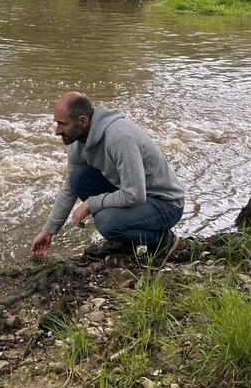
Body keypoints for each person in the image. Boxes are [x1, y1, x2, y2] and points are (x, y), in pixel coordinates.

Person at [30, 91, 184, 267]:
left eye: (62, 124)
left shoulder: (119, 138)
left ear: (82, 121)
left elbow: (135, 194)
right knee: (79, 178)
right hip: (138, 198)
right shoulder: (78, 142)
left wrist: (91, 203)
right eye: (57, 123)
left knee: (107, 222)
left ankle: (163, 241)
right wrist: (48, 230)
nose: (57, 131)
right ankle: (126, 244)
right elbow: (69, 189)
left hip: (166, 204)